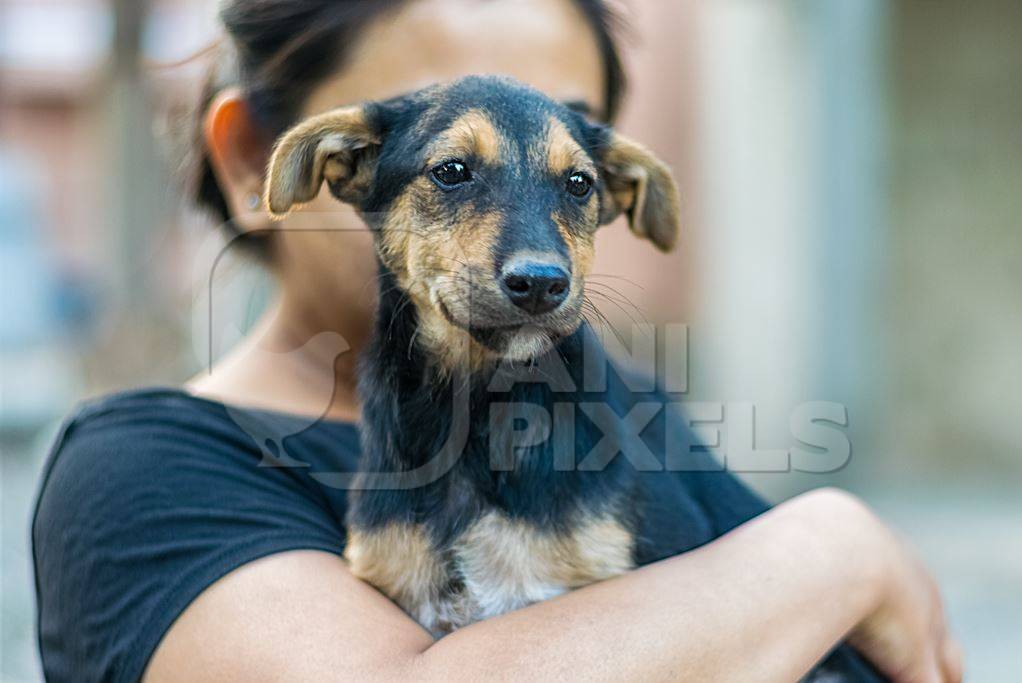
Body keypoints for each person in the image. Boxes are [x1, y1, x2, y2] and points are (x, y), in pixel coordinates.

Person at [32, 1, 962, 681]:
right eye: (455, 168)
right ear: (294, 160)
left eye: (570, 184)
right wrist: (836, 549)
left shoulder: (630, 418)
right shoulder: (145, 469)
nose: (534, 252)